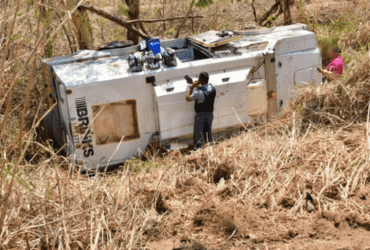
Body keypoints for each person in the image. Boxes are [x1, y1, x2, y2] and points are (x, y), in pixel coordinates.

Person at [185, 72, 217, 151]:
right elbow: (207, 93)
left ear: (201, 80)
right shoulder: (213, 89)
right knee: (207, 133)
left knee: (198, 134)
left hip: (201, 115)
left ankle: (197, 150)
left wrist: (192, 87)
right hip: (210, 114)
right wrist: (201, 86)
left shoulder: (199, 92)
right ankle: (210, 149)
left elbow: (188, 98)